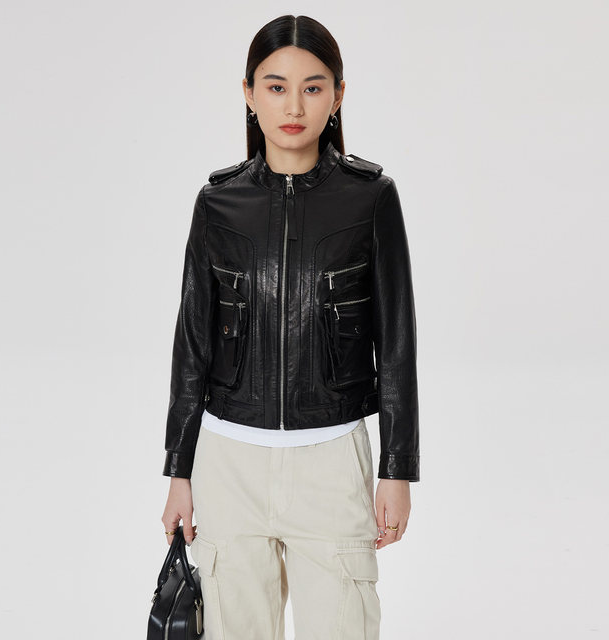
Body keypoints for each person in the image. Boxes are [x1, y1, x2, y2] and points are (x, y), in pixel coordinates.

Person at [160, 14, 419, 640]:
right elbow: (192, 345)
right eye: (276, 87)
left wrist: (397, 469)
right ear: (249, 94)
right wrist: (179, 472)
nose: (294, 106)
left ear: (338, 95)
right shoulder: (217, 203)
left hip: (332, 461)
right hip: (229, 465)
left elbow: (397, 343)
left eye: (313, 86)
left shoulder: (371, 198)